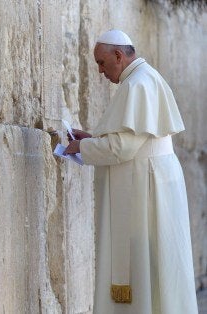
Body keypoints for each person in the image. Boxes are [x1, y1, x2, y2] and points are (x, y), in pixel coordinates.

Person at [64, 29, 198, 313]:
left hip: (146, 188)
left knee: (146, 264)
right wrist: (90, 140)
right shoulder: (145, 78)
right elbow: (132, 138)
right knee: (157, 265)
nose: (100, 71)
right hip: (155, 181)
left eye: (101, 63)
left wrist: (80, 148)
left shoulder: (137, 84)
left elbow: (120, 148)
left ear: (118, 55)